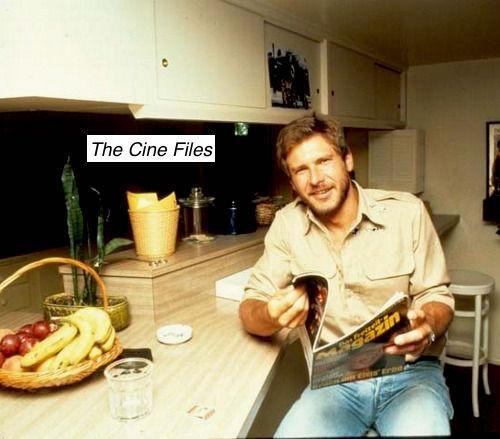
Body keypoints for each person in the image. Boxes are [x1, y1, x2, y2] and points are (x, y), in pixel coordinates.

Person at [239, 115, 455, 437]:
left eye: (324, 161)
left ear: (348, 160)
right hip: (337, 382)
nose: (315, 179)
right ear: (292, 182)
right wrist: (271, 314)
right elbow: (250, 307)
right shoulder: (287, 225)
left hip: (411, 375)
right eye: (301, 170)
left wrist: (428, 324)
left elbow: (438, 296)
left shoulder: (406, 212)